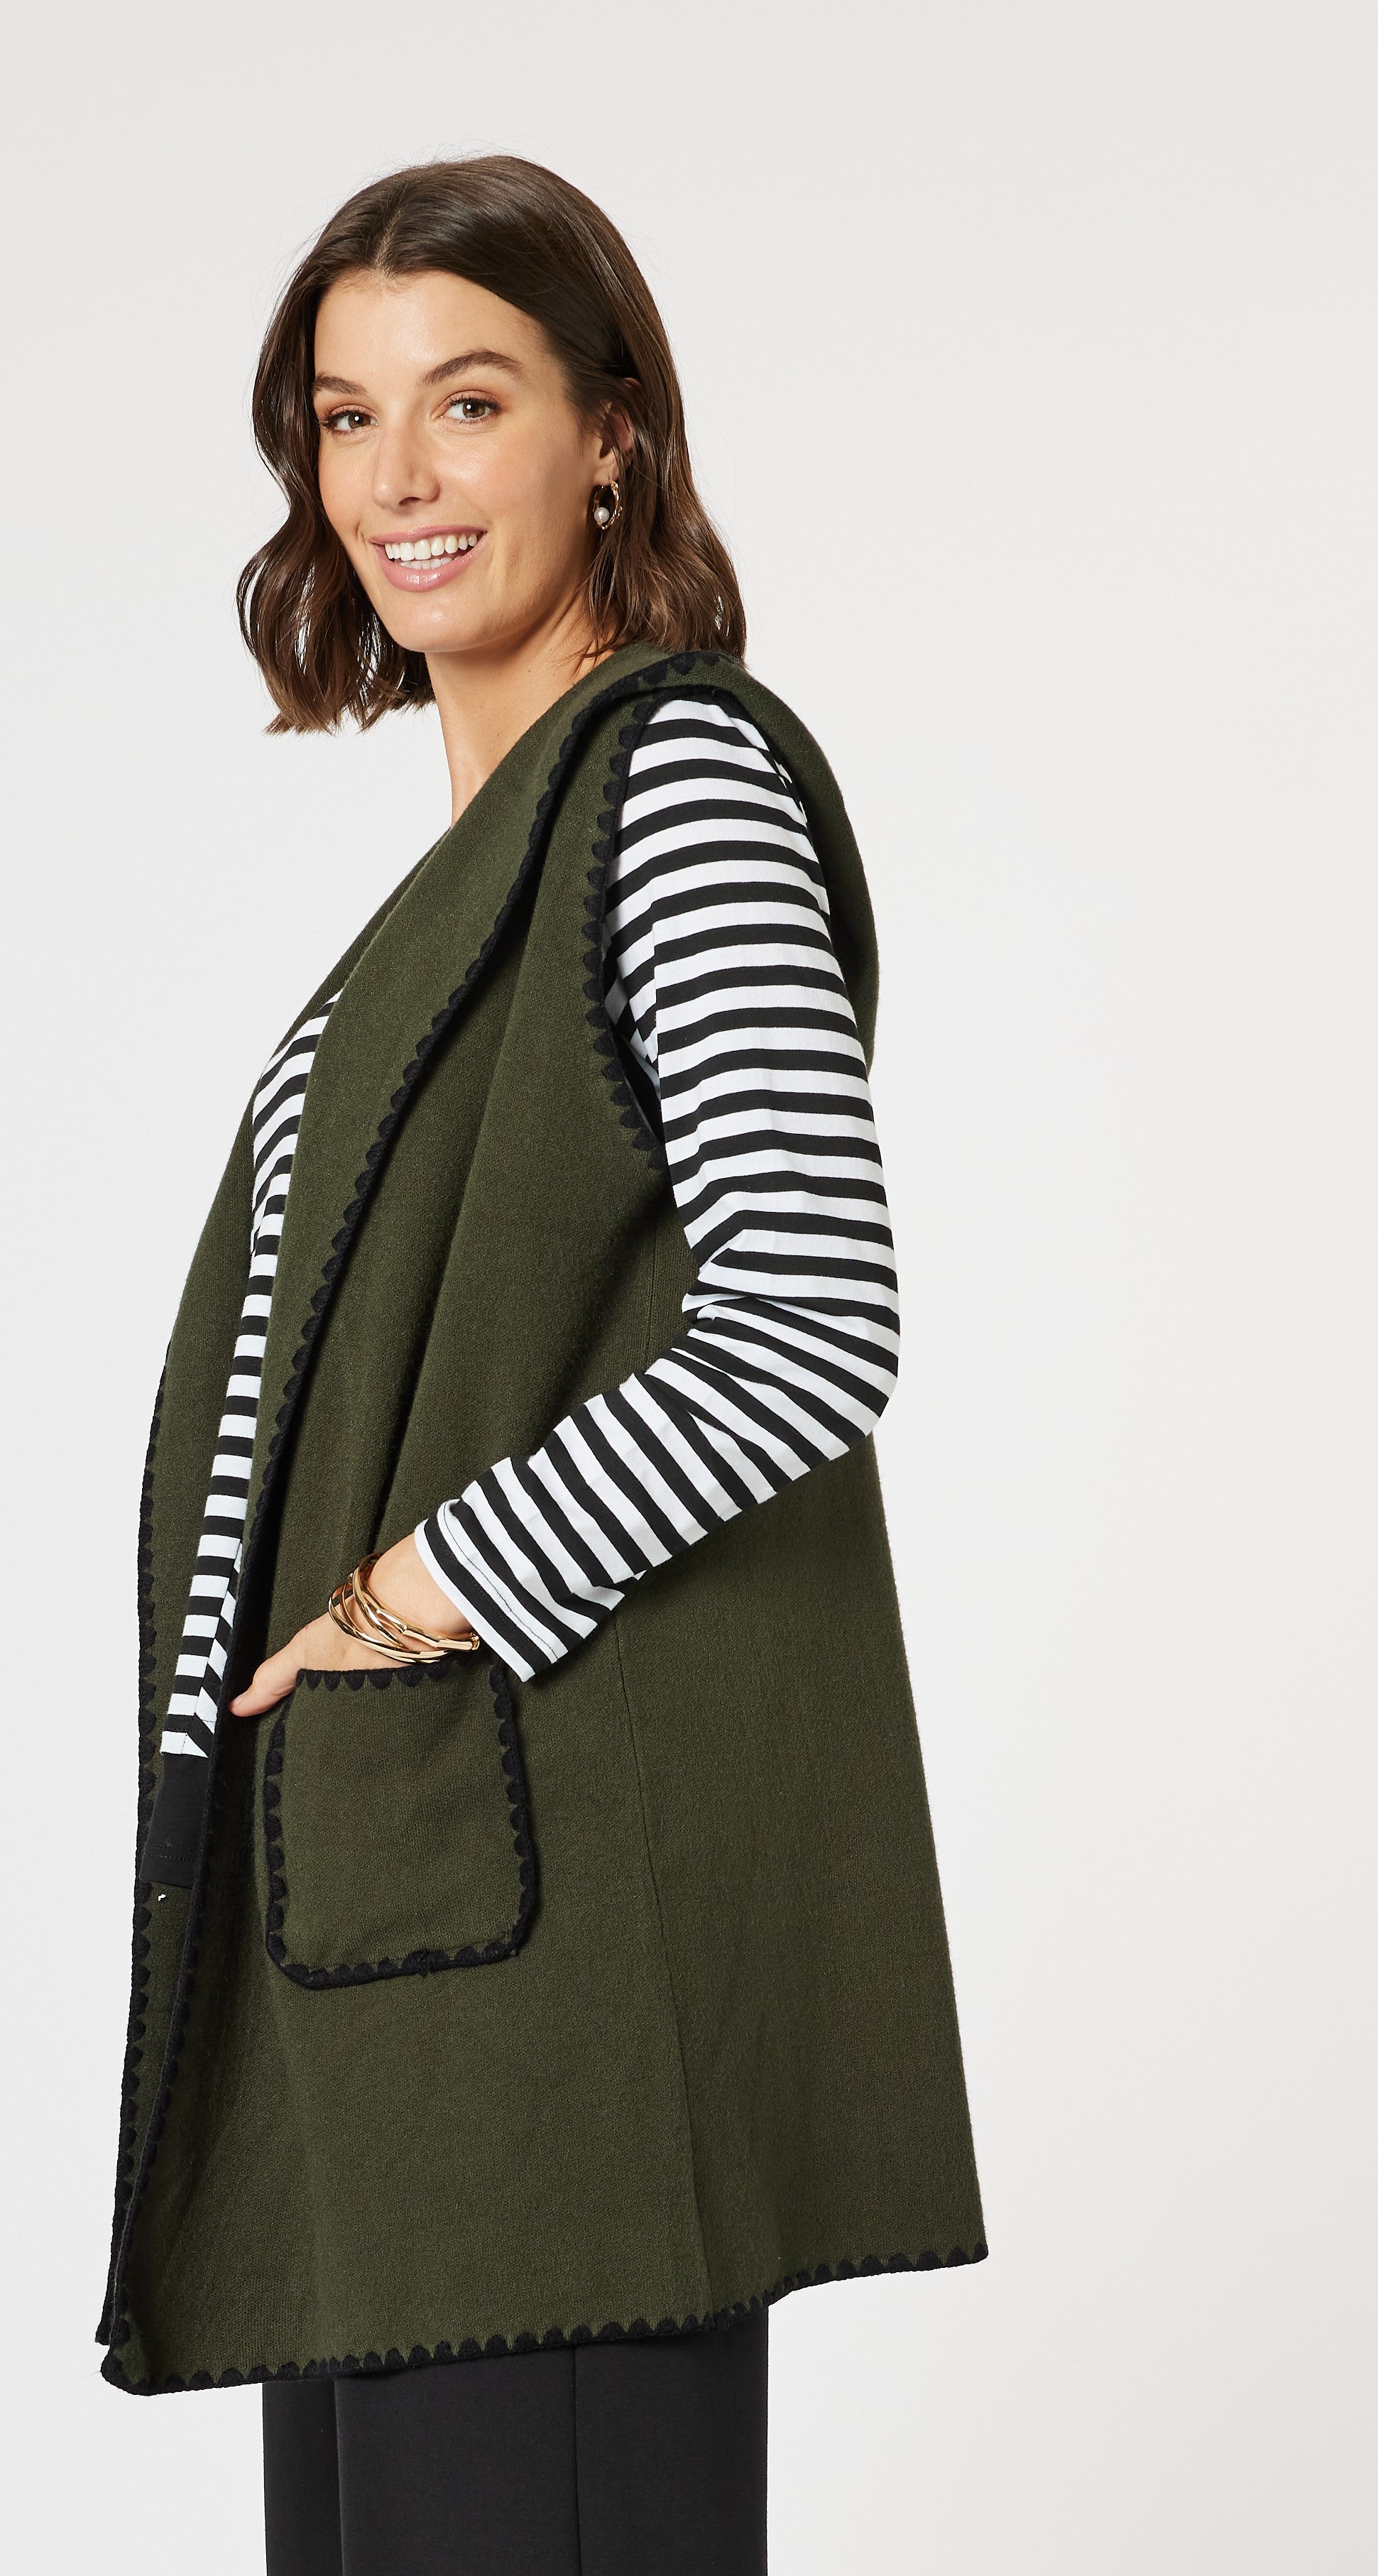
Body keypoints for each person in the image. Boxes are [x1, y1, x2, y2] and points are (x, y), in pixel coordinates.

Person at [98, 154, 985, 2575]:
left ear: (611, 432)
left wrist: (403, 1593)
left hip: (552, 2002)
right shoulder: (477, 864)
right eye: (344, 414)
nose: (396, 472)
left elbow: (809, 1317)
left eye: (467, 400)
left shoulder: (670, 781)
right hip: (402, 1960)